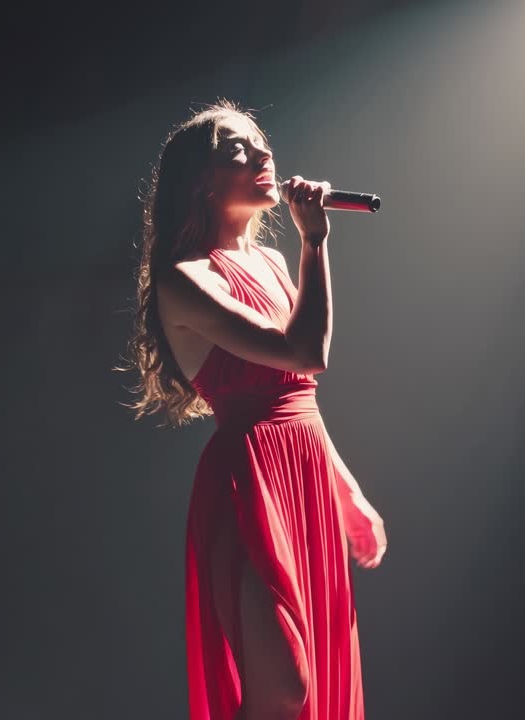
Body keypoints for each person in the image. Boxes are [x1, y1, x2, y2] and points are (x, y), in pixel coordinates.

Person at [120, 100, 387, 720]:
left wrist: (347, 493)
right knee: (285, 688)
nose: (263, 155)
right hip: (249, 483)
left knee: (307, 686)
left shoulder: (269, 261)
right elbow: (304, 352)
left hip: (306, 477)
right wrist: (315, 242)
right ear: (201, 182)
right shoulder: (184, 278)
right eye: (237, 148)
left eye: (261, 143)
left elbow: (298, 395)